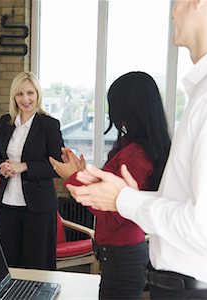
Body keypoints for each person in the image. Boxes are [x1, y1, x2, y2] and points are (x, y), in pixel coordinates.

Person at [65, 1, 207, 299]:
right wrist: (132, 197)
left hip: (200, 290)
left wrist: (125, 199)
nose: (173, 12)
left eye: (180, 2)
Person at [50, 71, 171, 299]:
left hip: (123, 256)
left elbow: (113, 209)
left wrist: (72, 178)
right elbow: (112, 192)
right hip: (119, 253)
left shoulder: (135, 155)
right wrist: (81, 173)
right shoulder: (132, 147)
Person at [0, 71, 64, 270]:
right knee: (5, 263)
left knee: (36, 265)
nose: (26, 99)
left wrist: (25, 166)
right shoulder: (6, 122)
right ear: (14, 97)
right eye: (20, 94)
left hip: (38, 207)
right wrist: (1, 167)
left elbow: (58, 166)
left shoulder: (49, 125)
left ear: (38, 95)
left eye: (30, 93)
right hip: (7, 204)